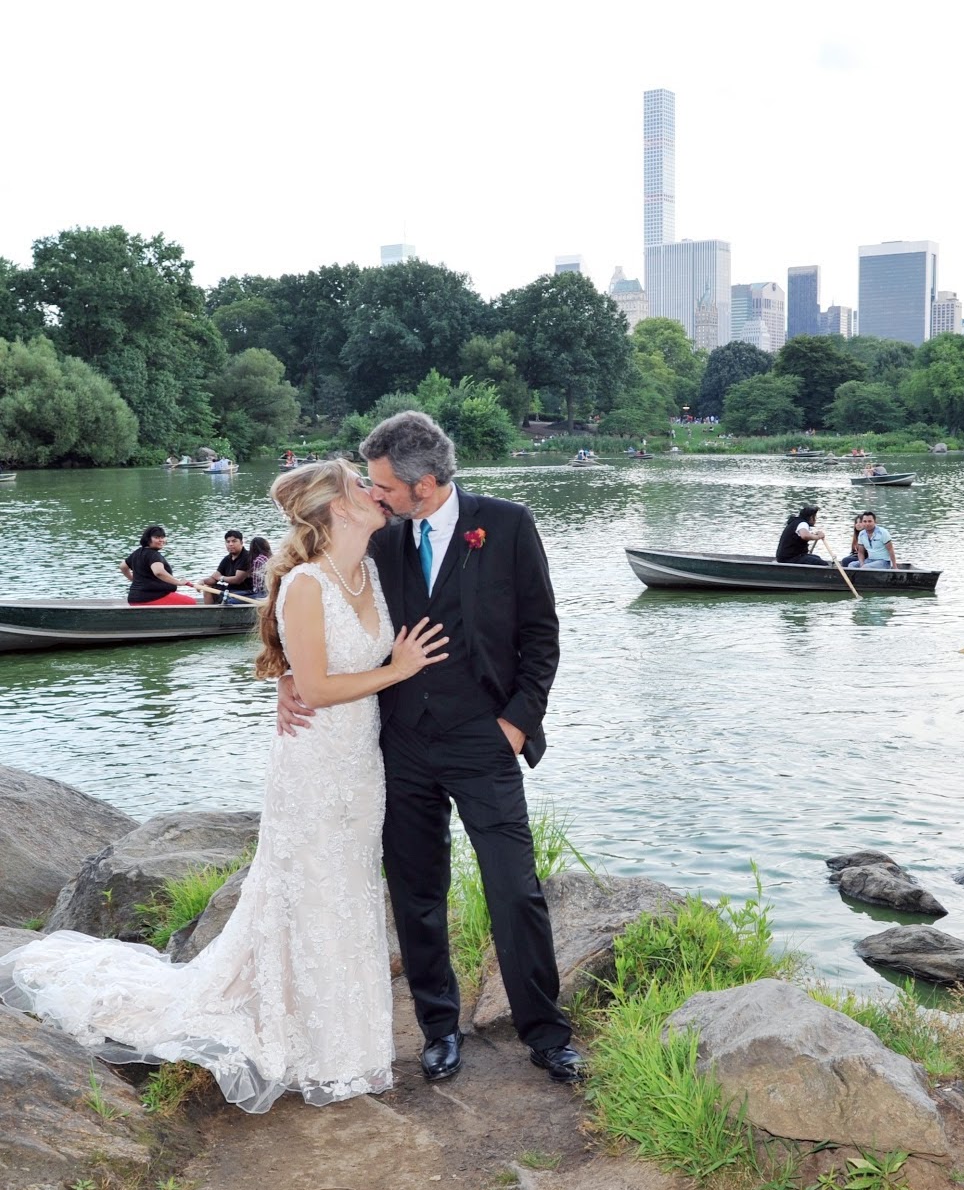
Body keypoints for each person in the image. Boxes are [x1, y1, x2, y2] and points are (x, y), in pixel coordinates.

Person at [0, 461, 450, 1112]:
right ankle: (319, 1049)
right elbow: (319, 687)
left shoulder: (373, 570)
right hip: (313, 765)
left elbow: (319, 664)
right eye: (361, 486)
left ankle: (349, 1042)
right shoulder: (302, 585)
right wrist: (398, 668)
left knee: (349, 890)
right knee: (313, 891)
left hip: (361, 766)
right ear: (337, 509)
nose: (376, 493)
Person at [279, 411, 585, 1087]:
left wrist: (515, 723)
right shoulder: (377, 534)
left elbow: (542, 635)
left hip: (485, 739)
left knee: (515, 887)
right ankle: (439, 1028)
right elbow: (304, 583)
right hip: (400, 744)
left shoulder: (506, 525)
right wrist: (286, 678)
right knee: (417, 893)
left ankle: (546, 1032)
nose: (374, 494)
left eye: (384, 485)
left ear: (425, 483)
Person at [120, 525, 198, 605]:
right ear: (148, 539)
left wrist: (133, 579)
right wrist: (179, 582)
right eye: (157, 537)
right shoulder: (154, 555)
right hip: (152, 598)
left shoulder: (137, 552)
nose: (161, 540)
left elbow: (123, 566)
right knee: (191, 602)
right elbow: (159, 572)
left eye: (162, 537)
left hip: (134, 599)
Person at [195, 530, 252, 604]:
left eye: (234, 541)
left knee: (229, 599)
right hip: (230, 590)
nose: (230, 544)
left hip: (246, 592)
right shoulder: (227, 559)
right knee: (207, 588)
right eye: (228, 542)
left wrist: (221, 578)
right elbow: (214, 578)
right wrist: (202, 581)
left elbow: (238, 579)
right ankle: (209, 613)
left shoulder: (247, 557)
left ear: (241, 542)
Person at [246, 535, 273, 600]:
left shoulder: (258, 561)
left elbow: (258, 585)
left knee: (233, 600)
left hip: (262, 593)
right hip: (270, 590)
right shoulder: (270, 557)